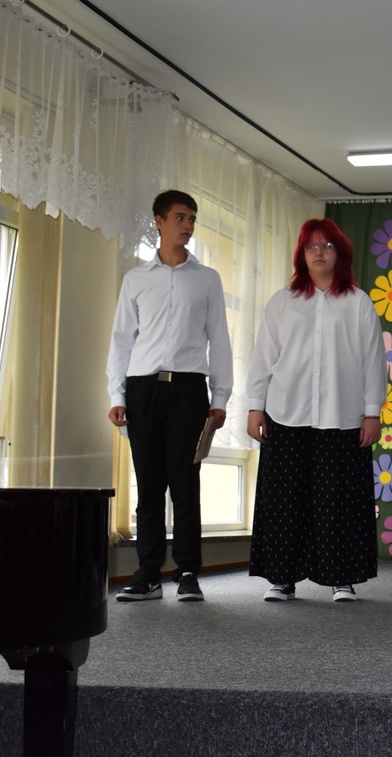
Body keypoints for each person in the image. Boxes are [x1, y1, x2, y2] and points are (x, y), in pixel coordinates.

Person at [245, 219, 386, 603]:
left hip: (342, 417)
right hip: (286, 413)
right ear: (301, 254)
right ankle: (282, 578)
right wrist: (255, 406)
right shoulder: (282, 301)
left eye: (327, 245)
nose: (319, 253)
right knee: (284, 501)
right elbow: (263, 358)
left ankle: (342, 579)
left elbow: (373, 361)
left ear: (340, 253)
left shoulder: (358, 302)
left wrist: (372, 413)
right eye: (312, 246)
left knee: (339, 502)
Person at [108, 190, 233, 603]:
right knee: (148, 487)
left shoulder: (207, 279)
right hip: (142, 390)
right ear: (159, 221)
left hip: (189, 390)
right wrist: (117, 394)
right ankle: (147, 574)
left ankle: (188, 572)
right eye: (180, 217)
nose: (188, 225)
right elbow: (121, 340)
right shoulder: (136, 279)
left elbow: (220, 340)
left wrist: (220, 398)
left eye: (192, 218)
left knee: (184, 485)